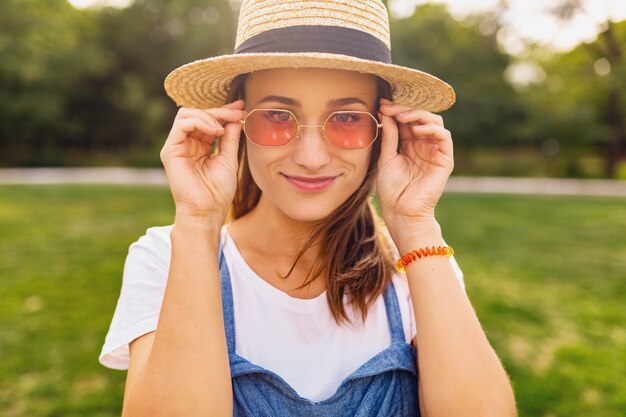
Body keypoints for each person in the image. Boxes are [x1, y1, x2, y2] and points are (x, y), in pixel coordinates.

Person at [99, 1, 517, 416]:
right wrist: (196, 220)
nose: (312, 156)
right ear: (235, 123)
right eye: (278, 115)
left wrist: (416, 223)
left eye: (348, 118)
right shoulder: (166, 258)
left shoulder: (417, 266)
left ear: (385, 130)